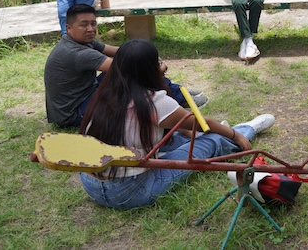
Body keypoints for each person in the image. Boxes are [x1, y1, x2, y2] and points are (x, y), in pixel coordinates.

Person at [78, 39, 276, 210]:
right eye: (157, 62)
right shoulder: (153, 101)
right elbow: (202, 123)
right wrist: (235, 135)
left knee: (179, 135)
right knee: (210, 142)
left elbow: (176, 123)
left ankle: (221, 135)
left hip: (90, 182)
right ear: (149, 69)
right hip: (130, 191)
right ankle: (246, 129)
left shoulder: (103, 93)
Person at [44, 4, 207, 128]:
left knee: (130, 66)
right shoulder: (78, 53)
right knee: (128, 76)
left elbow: (120, 51)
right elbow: (128, 69)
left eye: (93, 24)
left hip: (77, 101)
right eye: (84, 25)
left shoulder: (82, 42)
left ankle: (176, 92)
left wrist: (146, 54)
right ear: (68, 28)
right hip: (74, 113)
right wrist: (156, 68)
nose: (90, 29)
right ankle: (179, 96)